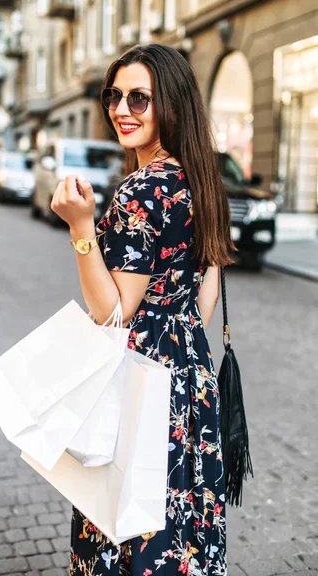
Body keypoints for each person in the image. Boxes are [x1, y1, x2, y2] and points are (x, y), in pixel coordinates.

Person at [52, 43, 235, 576]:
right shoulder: (199, 181)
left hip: (139, 384)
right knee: (179, 531)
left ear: (171, 105)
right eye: (114, 96)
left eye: (139, 98)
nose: (121, 109)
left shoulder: (142, 191)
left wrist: (82, 229)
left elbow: (114, 314)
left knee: (124, 521)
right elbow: (203, 302)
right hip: (188, 382)